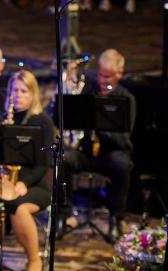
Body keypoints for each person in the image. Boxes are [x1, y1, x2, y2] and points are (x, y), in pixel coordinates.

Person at [0, 69, 55, 271]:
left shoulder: (42, 121)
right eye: (14, 90)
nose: (18, 95)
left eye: (24, 91)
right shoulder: (0, 119)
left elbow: (44, 163)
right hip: (5, 182)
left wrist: (24, 182)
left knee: (19, 208)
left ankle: (34, 261)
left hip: (36, 183)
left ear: (33, 93)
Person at [63, 49, 136, 233]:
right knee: (63, 159)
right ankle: (65, 214)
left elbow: (124, 138)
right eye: (101, 75)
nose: (103, 81)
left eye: (108, 77)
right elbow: (72, 117)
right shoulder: (89, 90)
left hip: (111, 153)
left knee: (121, 164)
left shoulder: (126, 99)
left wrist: (103, 124)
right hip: (87, 151)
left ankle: (116, 217)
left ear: (120, 75)